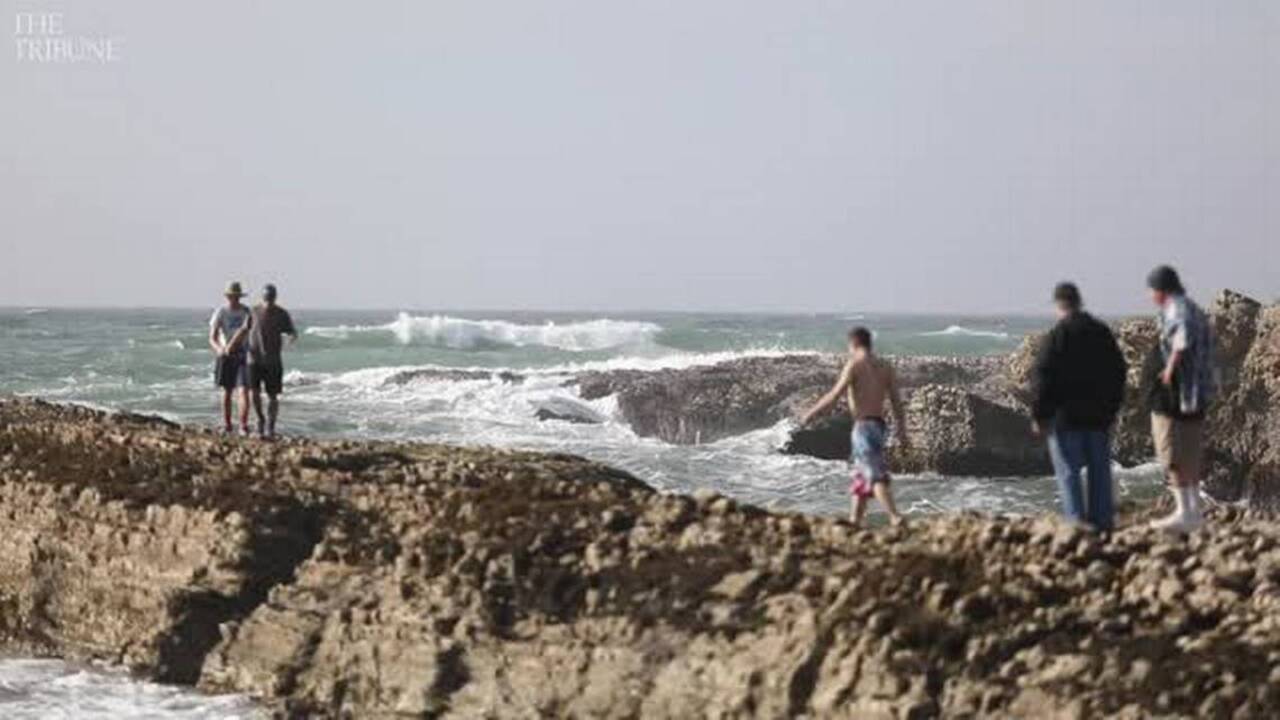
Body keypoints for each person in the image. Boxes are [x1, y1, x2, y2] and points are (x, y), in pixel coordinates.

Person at [1030, 282, 1128, 531]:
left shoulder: (1057, 336)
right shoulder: (1100, 332)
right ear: (1079, 301)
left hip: (1066, 419)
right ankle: (1102, 523)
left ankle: (1077, 523)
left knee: (1068, 473)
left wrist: (1040, 415)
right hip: (1098, 418)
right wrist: (1112, 409)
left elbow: (1043, 377)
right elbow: (1118, 371)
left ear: (1058, 304)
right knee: (1100, 473)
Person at [799, 327, 910, 526]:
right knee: (862, 475)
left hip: (863, 427)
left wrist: (810, 413)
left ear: (854, 344)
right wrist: (902, 431)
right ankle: (855, 521)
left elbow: (834, 396)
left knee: (874, 475)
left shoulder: (854, 365)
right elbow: (896, 402)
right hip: (879, 427)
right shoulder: (885, 367)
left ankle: (894, 515)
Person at [1146, 265, 1215, 533]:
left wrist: (1168, 370)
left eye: (1152, 290)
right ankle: (1193, 512)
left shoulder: (1177, 307)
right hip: (1197, 393)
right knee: (1190, 452)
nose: (1150, 296)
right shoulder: (1194, 307)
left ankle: (1184, 512)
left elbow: (1181, 339)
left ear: (1161, 290)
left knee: (1171, 452)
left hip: (1178, 392)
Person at [247, 283, 298, 439]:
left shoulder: (281, 314)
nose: (268, 302)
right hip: (254, 358)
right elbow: (244, 330)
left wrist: (290, 339)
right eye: (266, 298)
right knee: (254, 392)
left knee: (273, 396)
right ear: (263, 297)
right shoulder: (253, 311)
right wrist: (232, 346)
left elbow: (292, 332)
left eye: (271, 298)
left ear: (275, 298)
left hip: (273, 360)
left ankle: (270, 426)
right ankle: (260, 420)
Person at [209, 281, 253, 434]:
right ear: (227, 296)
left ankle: (243, 425)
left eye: (236, 296)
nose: (234, 299)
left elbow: (252, 333)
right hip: (226, 354)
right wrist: (219, 349)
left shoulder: (246, 312)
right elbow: (212, 337)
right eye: (231, 296)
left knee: (243, 390)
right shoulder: (221, 312)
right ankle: (227, 424)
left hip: (243, 354)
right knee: (227, 391)